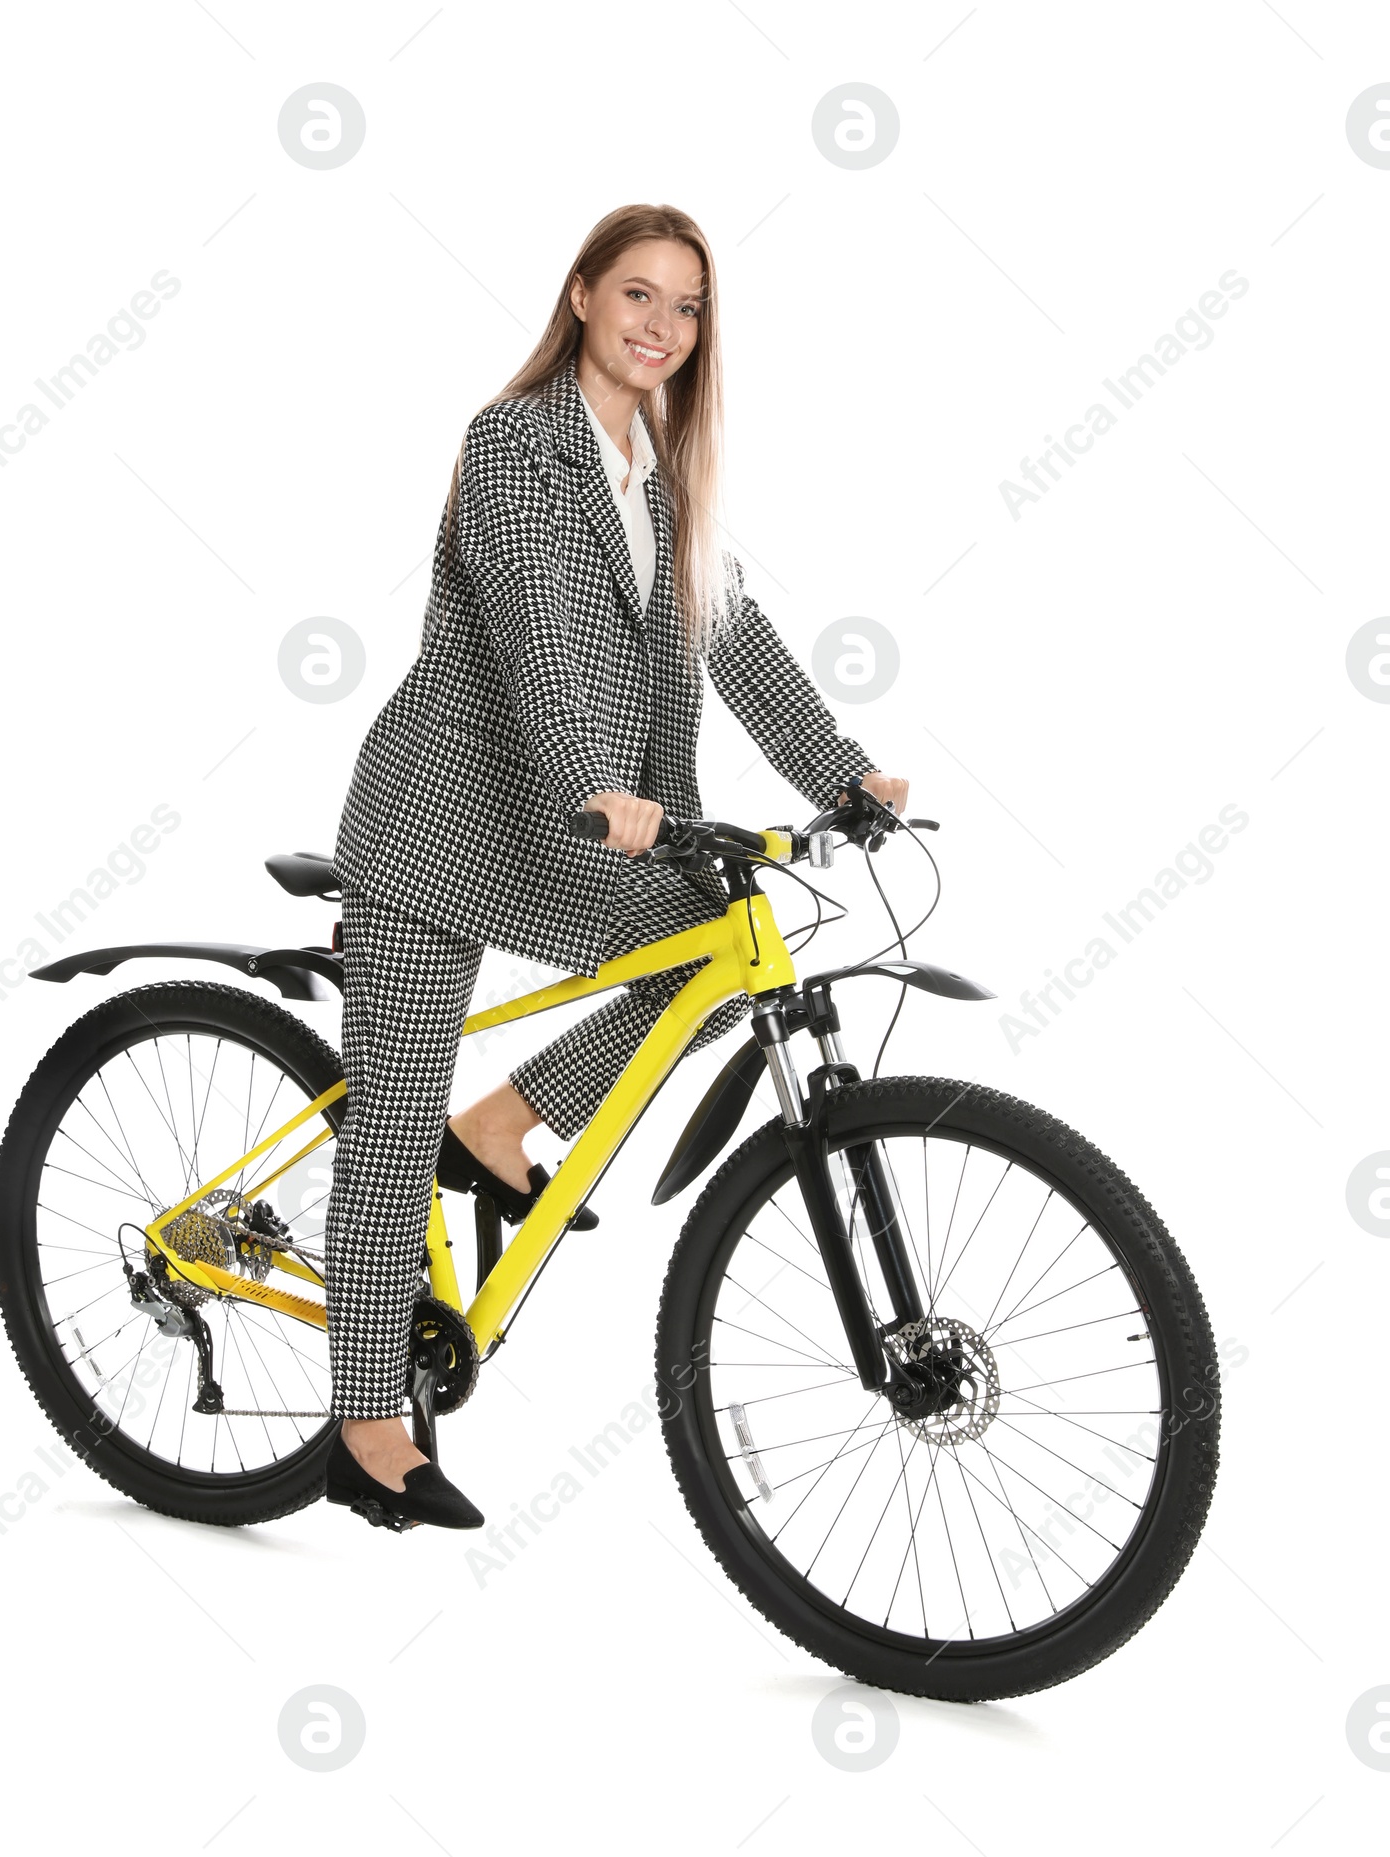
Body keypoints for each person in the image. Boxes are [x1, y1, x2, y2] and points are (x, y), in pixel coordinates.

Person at [325, 202, 909, 1530]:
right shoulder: (516, 444)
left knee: (715, 948)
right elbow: (537, 629)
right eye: (638, 295)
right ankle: (362, 1422)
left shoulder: (661, 468)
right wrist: (603, 779)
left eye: (687, 308)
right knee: (388, 1131)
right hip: (449, 818)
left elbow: (737, 638)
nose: (661, 327)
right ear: (582, 295)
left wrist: (841, 774)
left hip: (566, 822)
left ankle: (507, 1120)